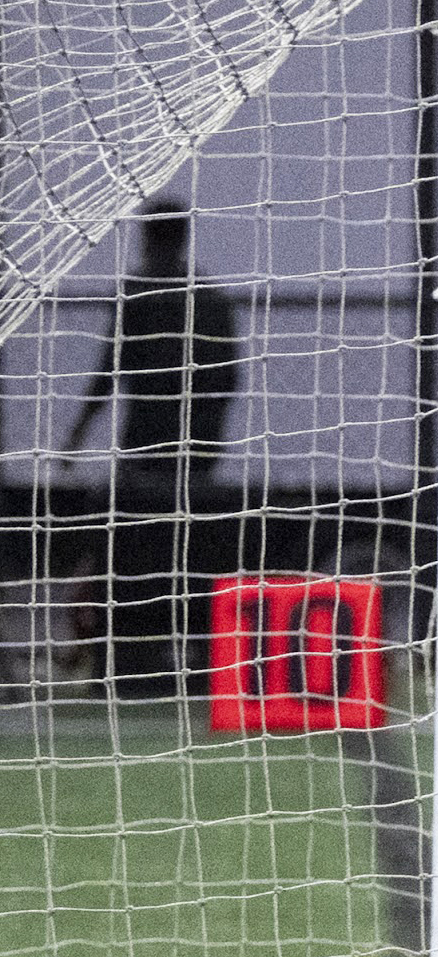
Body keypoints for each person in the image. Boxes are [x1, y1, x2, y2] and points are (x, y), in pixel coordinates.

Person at [66, 200, 242, 698]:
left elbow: (110, 368)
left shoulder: (141, 292)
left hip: (145, 448)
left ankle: (122, 662)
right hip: (195, 453)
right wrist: (208, 436)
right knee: (193, 548)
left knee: (129, 550)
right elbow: (229, 376)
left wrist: (75, 435)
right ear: (183, 237)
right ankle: (197, 661)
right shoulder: (206, 295)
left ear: (147, 237)